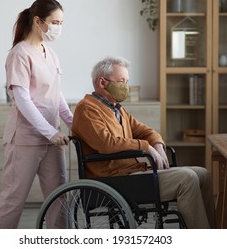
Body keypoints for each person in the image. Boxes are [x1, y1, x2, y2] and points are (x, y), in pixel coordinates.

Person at [71, 56, 216, 229]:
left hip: (132, 175)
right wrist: (145, 147)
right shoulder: (87, 109)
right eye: (121, 81)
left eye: (127, 81)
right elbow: (107, 143)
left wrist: (158, 146)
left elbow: (146, 131)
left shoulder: (117, 109)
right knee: (188, 178)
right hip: (114, 180)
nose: (126, 87)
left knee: (203, 175)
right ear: (102, 82)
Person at [0, 0, 73, 228]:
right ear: (38, 21)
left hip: (52, 141)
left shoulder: (50, 53)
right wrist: (50, 132)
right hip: (25, 141)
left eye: (61, 23)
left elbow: (56, 95)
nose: (59, 28)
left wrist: (73, 122)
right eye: (55, 22)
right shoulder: (20, 54)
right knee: (13, 199)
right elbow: (22, 100)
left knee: (59, 199)